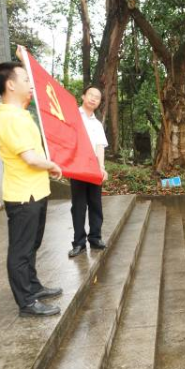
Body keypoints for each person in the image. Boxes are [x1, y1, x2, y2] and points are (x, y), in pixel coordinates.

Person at [0, 61, 63, 317]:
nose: (30, 85)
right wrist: (52, 164)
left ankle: (33, 286)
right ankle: (26, 301)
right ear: (10, 84)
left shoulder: (20, 113)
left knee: (32, 244)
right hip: (23, 195)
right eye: (25, 80)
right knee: (21, 250)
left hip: (36, 190)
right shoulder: (9, 117)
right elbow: (30, 158)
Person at [67, 86, 109, 258]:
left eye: (97, 97)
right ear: (83, 96)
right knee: (78, 205)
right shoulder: (73, 117)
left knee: (95, 204)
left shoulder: (97, 124)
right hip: (77, 167)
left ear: (99, 102)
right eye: (91, 95)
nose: (93, 99)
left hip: (93, 169)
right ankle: (79, 243)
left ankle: (95, 238)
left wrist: (102, 168)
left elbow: (100, 146)